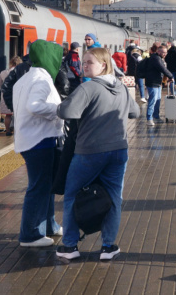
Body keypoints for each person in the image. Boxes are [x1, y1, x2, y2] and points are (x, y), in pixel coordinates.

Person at [56, 47, 140, 261]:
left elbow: (66, 112)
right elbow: (135, 112)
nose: (84, 66)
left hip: (89, 152)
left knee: (72, 195)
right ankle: (108, 247)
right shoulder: (120, 87)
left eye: (89, 62)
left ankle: (69, 246)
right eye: (83, 62)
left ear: (103, 65)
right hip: (118, 151)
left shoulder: (88, 88)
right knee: (113, 198)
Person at [12, 40, 64, 247]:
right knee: (39, 187)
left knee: (46, 186)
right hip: (39, 141)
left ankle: (49, 225)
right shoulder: (42, 80)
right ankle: (31, 234)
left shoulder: (26, 78)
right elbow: (35, 106)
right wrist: (60, 110)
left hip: (33, 138)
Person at [142, 45, 173, 126]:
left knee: (158, 100)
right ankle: (149, 119)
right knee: (152, 101)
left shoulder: (159, 58)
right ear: (158, 51)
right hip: (152, 83)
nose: (165, 54)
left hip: (157, 82)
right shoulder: (155, 58)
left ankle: (156, 116)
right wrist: (171, 76)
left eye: (166, 52)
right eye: (163, 52)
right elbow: (162, 68)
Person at [0, 56, 22, 136]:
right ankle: (17, 131)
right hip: (17, 95)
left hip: (5, 96)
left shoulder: (3, 72)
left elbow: (0, 84)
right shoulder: (19, 72)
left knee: (7, 115)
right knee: (17, 115)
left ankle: (8, 131)